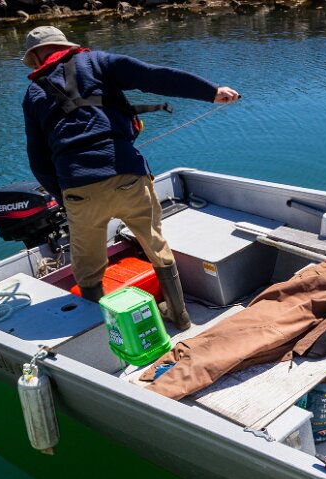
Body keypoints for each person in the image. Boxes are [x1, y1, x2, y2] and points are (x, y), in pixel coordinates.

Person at [21, 26, 239, 330]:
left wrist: (66, 197)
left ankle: (108, 332)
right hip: (128, 174)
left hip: (78, 187)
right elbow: (154, 76)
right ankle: (179, 315)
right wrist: (210, 91)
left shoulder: (33, 93)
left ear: (34, 58)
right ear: (65, 46)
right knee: (155, 243)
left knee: (87, 270)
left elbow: (39, 161)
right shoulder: (96, 62)